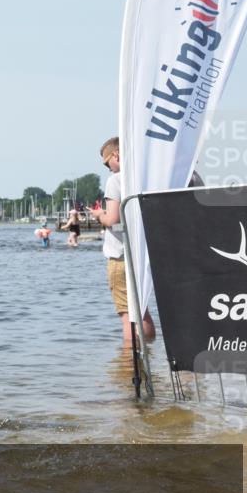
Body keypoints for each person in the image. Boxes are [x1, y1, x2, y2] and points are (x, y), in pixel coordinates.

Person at [90, 137, 155, 346]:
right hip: (144, 253)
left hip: (120, 255)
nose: (108, 169)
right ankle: (149, 356)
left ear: (116, 155)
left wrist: (99, 215)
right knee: (142, 310)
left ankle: (128, 364)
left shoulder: (116, 180)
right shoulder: (147, 177)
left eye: (107, 163)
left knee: (128, 315)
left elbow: (113, 219)